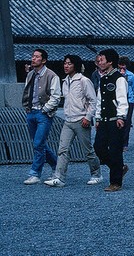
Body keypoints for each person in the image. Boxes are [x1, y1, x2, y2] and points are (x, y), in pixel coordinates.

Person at [45, 55, 102, 187]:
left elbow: (93, 100)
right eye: (65, 63)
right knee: (62, 149)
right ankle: (59, 177)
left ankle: (96, 174)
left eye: (69, 64)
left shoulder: (84, 80)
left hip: (81, 120)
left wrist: (88, 117)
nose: (66, 66)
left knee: (87, 150)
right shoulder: (65, 81)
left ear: (75, 65)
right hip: (68, 120)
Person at [21, 48, 62, 185]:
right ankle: (56, 165)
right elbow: (27, 91)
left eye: (37, 57)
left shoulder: (52, 75)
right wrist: (27, 107)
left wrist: (45, 109)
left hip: (44, 113)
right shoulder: (31, 74)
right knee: (39, 144)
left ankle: (35, 173)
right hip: (31, 111)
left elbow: (56, 96)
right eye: (33, 56)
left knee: (38, 143)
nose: (33, 59)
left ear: (43, 60)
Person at [93, 48, 129, 192]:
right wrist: (97, 117)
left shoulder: (119, 78)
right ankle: (119, 168)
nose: (99, 62)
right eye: (99, 60)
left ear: (110, 61)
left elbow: (122, 99)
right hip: (103, 119)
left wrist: (121, 116)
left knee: (115, 151)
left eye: (102, 59)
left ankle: (115, 182)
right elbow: (99, 100)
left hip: (115, 119)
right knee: (98, 147)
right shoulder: (102, 79)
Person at [117, 56, 134, 152]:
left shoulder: (131, 75)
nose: (123, 67)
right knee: (117, 121)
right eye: (121, 65)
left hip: (129, 100)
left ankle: (124, 143)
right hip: (118, 100)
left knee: (127, 122)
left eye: (124, 65)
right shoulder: (115, 74)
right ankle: (116, 142)